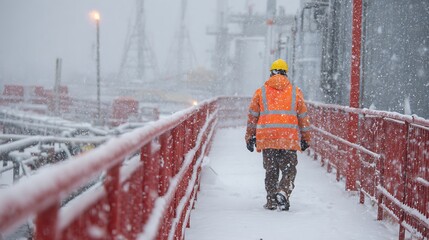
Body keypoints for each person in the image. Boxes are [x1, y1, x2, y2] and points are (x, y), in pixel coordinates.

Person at [245, 58, 311, 211]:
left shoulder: (260, 92)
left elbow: (252, 117)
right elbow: (303, 118)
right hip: (288, 139)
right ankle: (283, 191)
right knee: (289, 170)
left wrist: (249, 136)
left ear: (271, 73)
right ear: (285, 73)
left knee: (271, 171)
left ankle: (271, 201)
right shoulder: (295, 92)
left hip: (267, 139)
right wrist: (306, 138)